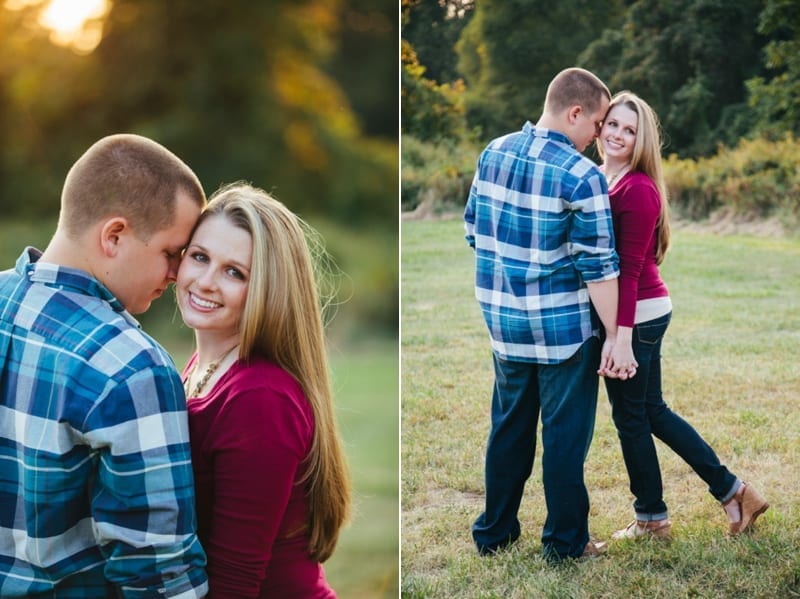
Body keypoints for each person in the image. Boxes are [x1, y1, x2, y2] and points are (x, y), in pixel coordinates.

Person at [0, 134, 209, 596]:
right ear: (114, 236)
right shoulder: (134, 368)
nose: (178, 274)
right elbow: (158, 571)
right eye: (171, 252)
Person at [464, 67, 630, 562]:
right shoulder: (581, 175)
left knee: (509, 427)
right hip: (563, 331)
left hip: (504, 326)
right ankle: (564, 543)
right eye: (599, 123)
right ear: (574, 113)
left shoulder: (492, 151)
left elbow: (474, 230)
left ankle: (494, 533)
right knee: (563, 436)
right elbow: (599, 268)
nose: (600, 135)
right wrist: (616, 334)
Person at [596, 91, 769, 540]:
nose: (618, 134)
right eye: (613, 123)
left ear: (642, 141)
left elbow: (629, 271)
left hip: (639, 314)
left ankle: (653, 519)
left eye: (629, 130)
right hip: (634, 312)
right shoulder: (603, 178)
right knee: (650, 411)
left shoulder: (637, 189)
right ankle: (734, 492)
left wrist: (621, 337)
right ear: (599, 125)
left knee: (632, 417)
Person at [175, 182, 351, 597]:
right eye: (199, 257)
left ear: (268, 289)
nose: (205, 281)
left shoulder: (259, 398)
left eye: (234, 272)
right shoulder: (204, 366)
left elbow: (235, 582)